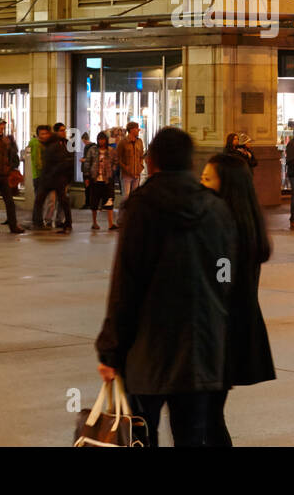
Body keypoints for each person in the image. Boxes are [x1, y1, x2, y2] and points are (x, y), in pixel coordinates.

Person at [95, 127, 237, 447]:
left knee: (142, 435)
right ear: (189, 162)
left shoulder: (140, 207)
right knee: (192, 434)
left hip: (147, 349)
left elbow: (126, 284)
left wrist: (110, 349)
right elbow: (225, 274)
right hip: (199, 347)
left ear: (152, 160)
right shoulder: (216, 209)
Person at [201, 153, 275, 444]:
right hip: (232, 327)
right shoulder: (245, 221)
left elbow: (223, 279)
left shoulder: (227, 228)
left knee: (208, 417)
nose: (201, 183)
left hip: (221, 331)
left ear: (226, 185)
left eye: (207, 179)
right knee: (209, 415)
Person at [83, 130, 118, 231]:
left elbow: (116, 161)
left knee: (109, 201)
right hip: (95, 179)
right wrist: (86, 177)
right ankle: (94, 222)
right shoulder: (92, 150)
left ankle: (111, 223)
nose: (101, 141)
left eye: (102, 139)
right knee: (94, 202)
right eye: (99, 139)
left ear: (106, 140)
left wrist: (112, 170)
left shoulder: (111, 150)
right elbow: (87, 163)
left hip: (107, 180)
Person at [44, 122, 75, 234]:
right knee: (52, 200)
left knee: (63, 201)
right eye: (61, 130)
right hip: (53, 177)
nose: (64, 132)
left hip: (64, 177)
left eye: (64, 130)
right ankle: (48, 220)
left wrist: (69, 177)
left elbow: (71, 160)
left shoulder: (68, 144)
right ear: (56, 132)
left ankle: (59, 220)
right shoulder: (52, 145)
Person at [26, 124, 51, 228]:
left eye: (46, 133)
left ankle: (37, 220)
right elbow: (37, 161)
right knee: (40, 199)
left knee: (40, 199)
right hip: (39, 175)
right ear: (38, 134)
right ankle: (38, 221)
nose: (44, 135)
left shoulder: (44, 144)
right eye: (42, 133)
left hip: (42, 175)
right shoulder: (36, 143)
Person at [116, 121, 145, 201]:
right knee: (126, 197)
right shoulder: (123, 142)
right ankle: (125, 213)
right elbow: (118, 157)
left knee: (135, 197)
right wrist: (126, 168)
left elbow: (141, 156)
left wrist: (140, 167)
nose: (138, 130)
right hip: (126, 175)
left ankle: (133, 213)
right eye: (136, 128)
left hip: (137, 174)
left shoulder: (139, 141)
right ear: (131, 130)